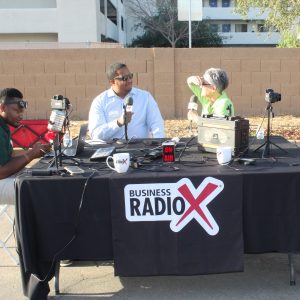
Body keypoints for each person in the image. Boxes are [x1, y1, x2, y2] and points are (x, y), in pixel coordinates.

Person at [88, 62, 165, 141]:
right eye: (124, 78)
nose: (129, 80)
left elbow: (157, 125)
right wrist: (118, 123)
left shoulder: (145, 97)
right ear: (112, 82)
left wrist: (159, 146)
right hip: (111, 150)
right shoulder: (100, 101)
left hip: (141, 149)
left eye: (130, 76)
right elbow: (95, 134)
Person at [0, 88, 51, 204]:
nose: (21, 116)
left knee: (47, 179)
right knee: (40, 190)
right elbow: (1, 172)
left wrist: (37, 150)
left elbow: (10, 154)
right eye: (17, 111)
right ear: (2, 107)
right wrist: (31, 155)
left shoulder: (3, 125)